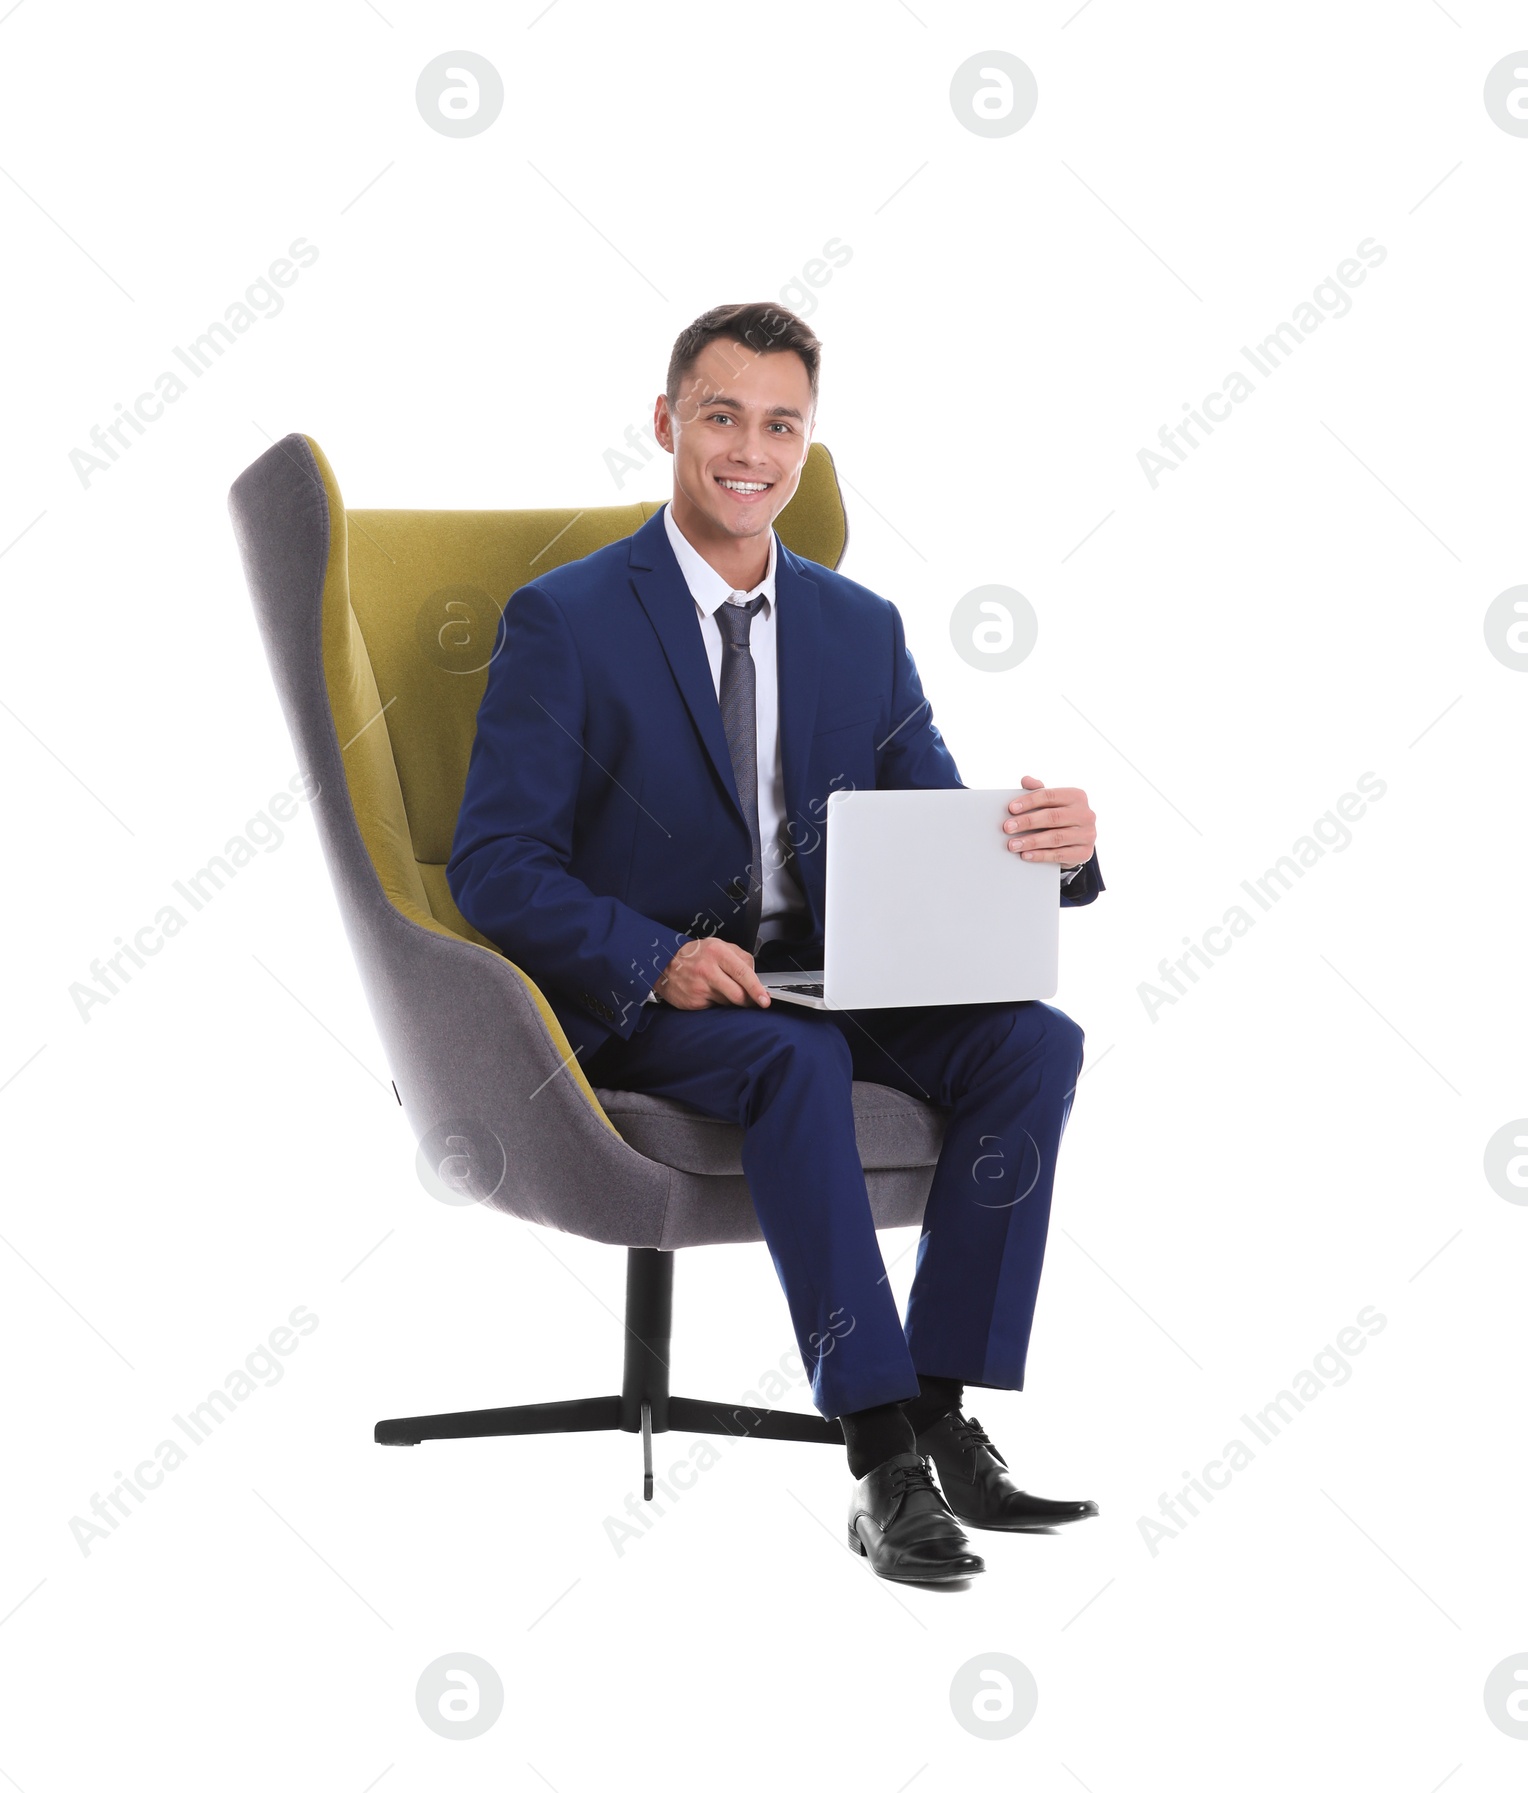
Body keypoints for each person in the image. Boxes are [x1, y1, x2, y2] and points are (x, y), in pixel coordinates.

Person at [449, 302, 1104, 1584]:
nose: (751, 449)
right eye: (722, 415)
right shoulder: (566, 620)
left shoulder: (859, 626)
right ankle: (876, 1456)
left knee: (1035, 1041)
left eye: (780, 424)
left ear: (807, 443)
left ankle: (936, 1405)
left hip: (833, 974)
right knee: (788, 1065)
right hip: (659, 997)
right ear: (666, 422)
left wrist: (1055, 848)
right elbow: (494, 863)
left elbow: (931, 831)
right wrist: (653, 956)